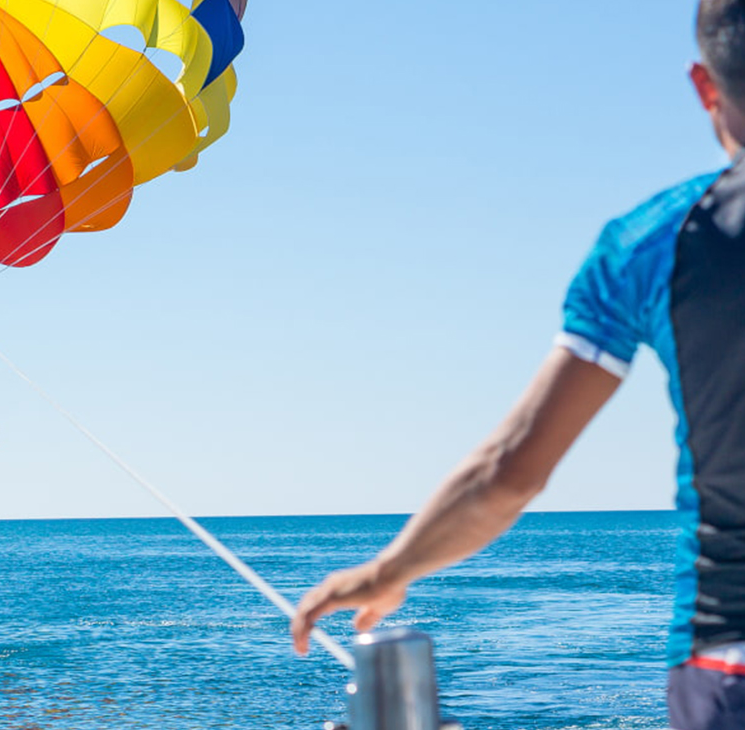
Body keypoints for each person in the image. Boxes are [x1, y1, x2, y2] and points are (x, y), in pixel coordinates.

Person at [288, 4, 745, 728]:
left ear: (703, 85)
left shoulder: (652, 245)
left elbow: (510, 470)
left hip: (727, 662)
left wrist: (388, 571)